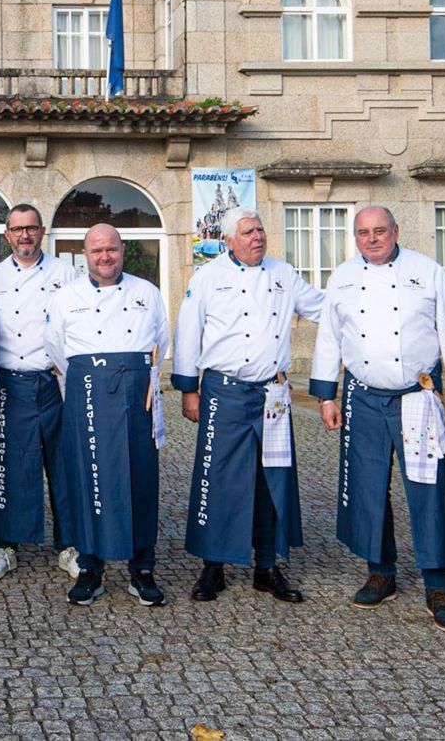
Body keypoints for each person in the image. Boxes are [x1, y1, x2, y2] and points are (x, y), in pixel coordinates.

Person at [307, 207, 445, 632]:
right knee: (368, 487)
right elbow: (330, 337)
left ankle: (438, 584)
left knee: (427, 491)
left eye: (380, 231)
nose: (372, 239)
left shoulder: (427, 271)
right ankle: (381, 571)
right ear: (354, 237)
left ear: (396, 231)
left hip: (417, 398)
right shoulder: (341, 277)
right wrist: (326, 395)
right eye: (363, 232)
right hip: (362, 399)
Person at [172, 206, 325, 604]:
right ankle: (213, 565)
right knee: (217, 478)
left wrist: (363, 295)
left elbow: (324, 308)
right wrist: (189, 389)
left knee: (271, 479)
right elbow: (188, 332)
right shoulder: (207, 278)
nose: (258, 236)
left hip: (272, 395)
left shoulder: (283, 274)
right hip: (224, 393)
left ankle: (266, 566)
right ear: (228, 241)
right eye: (247, 232)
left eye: (260, 229)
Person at [44, 223, 170, 607]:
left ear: (122, 250)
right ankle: (90, 567)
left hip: (135, 395)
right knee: (86, 477)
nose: (105, 257)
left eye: (112, 249)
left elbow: (160, 343)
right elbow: (55, 349)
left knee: (140, 477)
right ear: (85, 255)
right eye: (97, 250)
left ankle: (142, 568)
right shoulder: (65, 297)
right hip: (85, 393)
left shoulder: (147, 292)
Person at [0, 204, 79, 582]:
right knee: (9, 465)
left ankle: (69, 546)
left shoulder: (65, 274)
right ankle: (7, 546)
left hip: (52, 380)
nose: (24, 236)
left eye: (31, 228)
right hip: (9, 382)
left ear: (42, 231)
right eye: (17, 230)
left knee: (63, 464)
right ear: (7, 235)